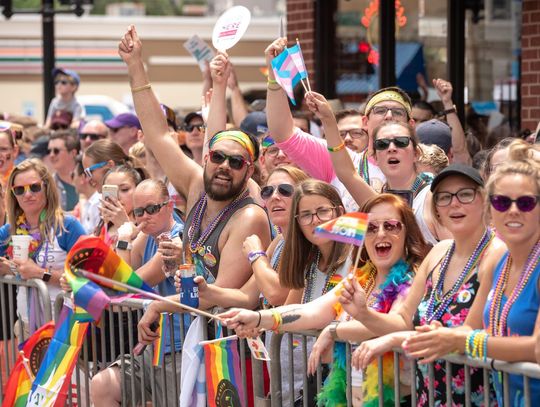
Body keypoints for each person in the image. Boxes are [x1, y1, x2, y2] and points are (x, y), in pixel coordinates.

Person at [118, 24, 270, 331]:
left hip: (227, 346)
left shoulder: (249, 216)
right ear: (206, 159)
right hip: (193, 332)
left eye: (236, 161)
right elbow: (158, 134)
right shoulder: (197, 185)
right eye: (218, 157)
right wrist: (136, 66)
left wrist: (159, 305)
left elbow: (215, 295)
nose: (225, 165)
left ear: (250, 170)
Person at [221, 193, 430, 406]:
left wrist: (334, 331)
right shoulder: (361, 279)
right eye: (371, 228)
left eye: (392, 225)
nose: (381, 233)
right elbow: (311, 311)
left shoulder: (412, 280)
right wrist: (257, 317)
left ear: (407, 232)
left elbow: (391, 325)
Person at [341, 164, 506, 406]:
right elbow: (402, 320)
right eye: (444, 197)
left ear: (485, 201)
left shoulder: (497, 253)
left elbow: (469, 332)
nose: (454, 203)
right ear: (436, 210)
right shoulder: (438, 252)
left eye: (466, 194)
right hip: (427, 396)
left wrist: (394, 340)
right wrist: (364, 313)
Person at [402, 157, 540, 406]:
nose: (512, 210)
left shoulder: (502, 256)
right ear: (491, 209)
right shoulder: (502, 263)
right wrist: (441, 335)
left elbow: (537, 348)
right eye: (501, 201)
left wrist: (461, 341)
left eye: (526, 202)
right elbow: (471, 327)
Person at [306, 91, 449, 245]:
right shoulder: (382, 203)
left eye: (400, 142)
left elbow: (455, 253)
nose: (391, 148)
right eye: (382, 144)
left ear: (416, 153)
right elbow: (347, 174)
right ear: (375, 157)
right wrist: (328, 120)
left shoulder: (432, 196)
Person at [90, 179, 184, 407]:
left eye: (152, 209)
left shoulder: (175, 239)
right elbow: (116, 286)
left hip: (180, 346)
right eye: (139, 211)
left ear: (169, 206)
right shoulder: (146, 236)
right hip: (154, 347)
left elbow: (127, 287)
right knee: (103, 385)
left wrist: (124, 241)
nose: (144, 217)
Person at [0, 159, 85, 336]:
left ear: (47, 187)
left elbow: (84, 279)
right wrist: (8, 269)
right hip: (26, 326)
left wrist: (39, 273)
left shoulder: (67, 226)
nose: (27, 194)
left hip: (64, 327)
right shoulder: (11, 229)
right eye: (19, 190)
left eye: (35, 187)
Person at [47, 130, 80, 211]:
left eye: (56, 151)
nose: (51, 155)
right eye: (49, 151)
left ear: (73, 153)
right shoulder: (47, 185)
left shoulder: (88, 180)